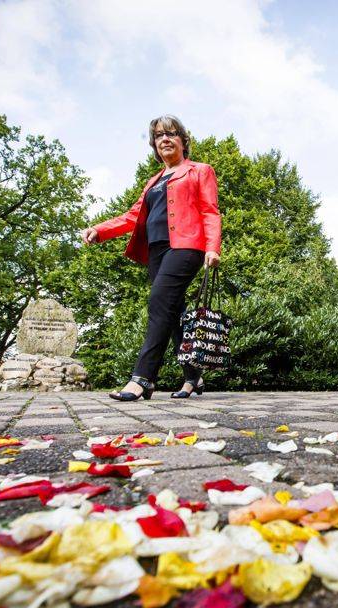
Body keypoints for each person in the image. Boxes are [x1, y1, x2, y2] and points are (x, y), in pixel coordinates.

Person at [80, 114, 221, 401]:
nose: (164, 139)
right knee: (172, 315)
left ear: (183, 140)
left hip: (186, 246)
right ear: (154, 145)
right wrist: (100, 229)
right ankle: (194, 377)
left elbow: (210, 210)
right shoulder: (154, 181)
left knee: (159, 302)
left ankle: (143, 378)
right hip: (156, 251)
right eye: (158, 136)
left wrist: (212, 247)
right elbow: (134, 216)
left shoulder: (199, 170)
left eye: (171, 133)